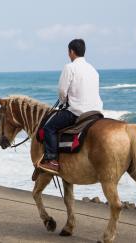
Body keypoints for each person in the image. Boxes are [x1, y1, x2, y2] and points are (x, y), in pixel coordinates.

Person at [38, 38, 103, 175]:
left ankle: (52, 160)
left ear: (71, 52)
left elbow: (62, 91)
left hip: (77, 112)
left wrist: (64, 100)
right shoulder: (93, 70)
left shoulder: (70, 67)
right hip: (96, 113)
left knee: (49, 127)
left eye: (69, 52)